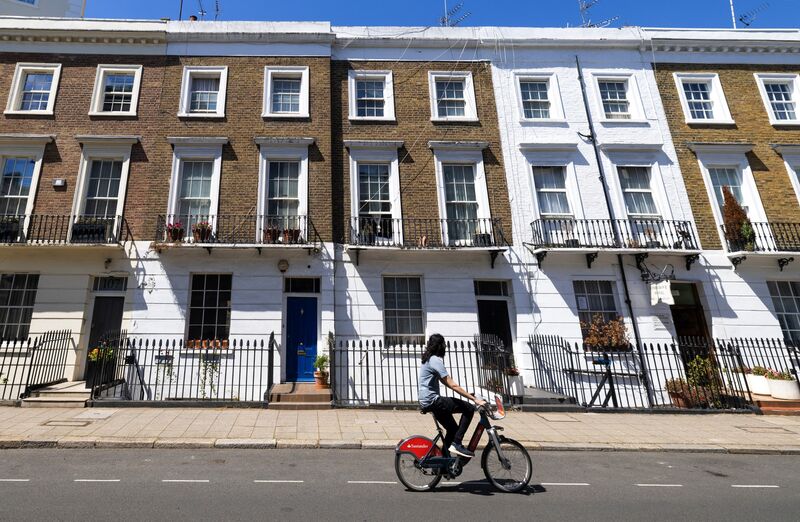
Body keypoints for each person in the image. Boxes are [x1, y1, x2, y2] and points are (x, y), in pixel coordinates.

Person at [418, 333, 486, 458]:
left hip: (427, 401)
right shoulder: (435, 360)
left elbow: (447, 383)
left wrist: (467, 394)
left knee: (453, 430)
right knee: (469, 408)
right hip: (433, 401)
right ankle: (457, 443)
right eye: (444, 344)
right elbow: (452, 385)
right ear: (440, 346)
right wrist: (474, 400)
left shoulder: (428, 359)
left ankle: (444, 464)